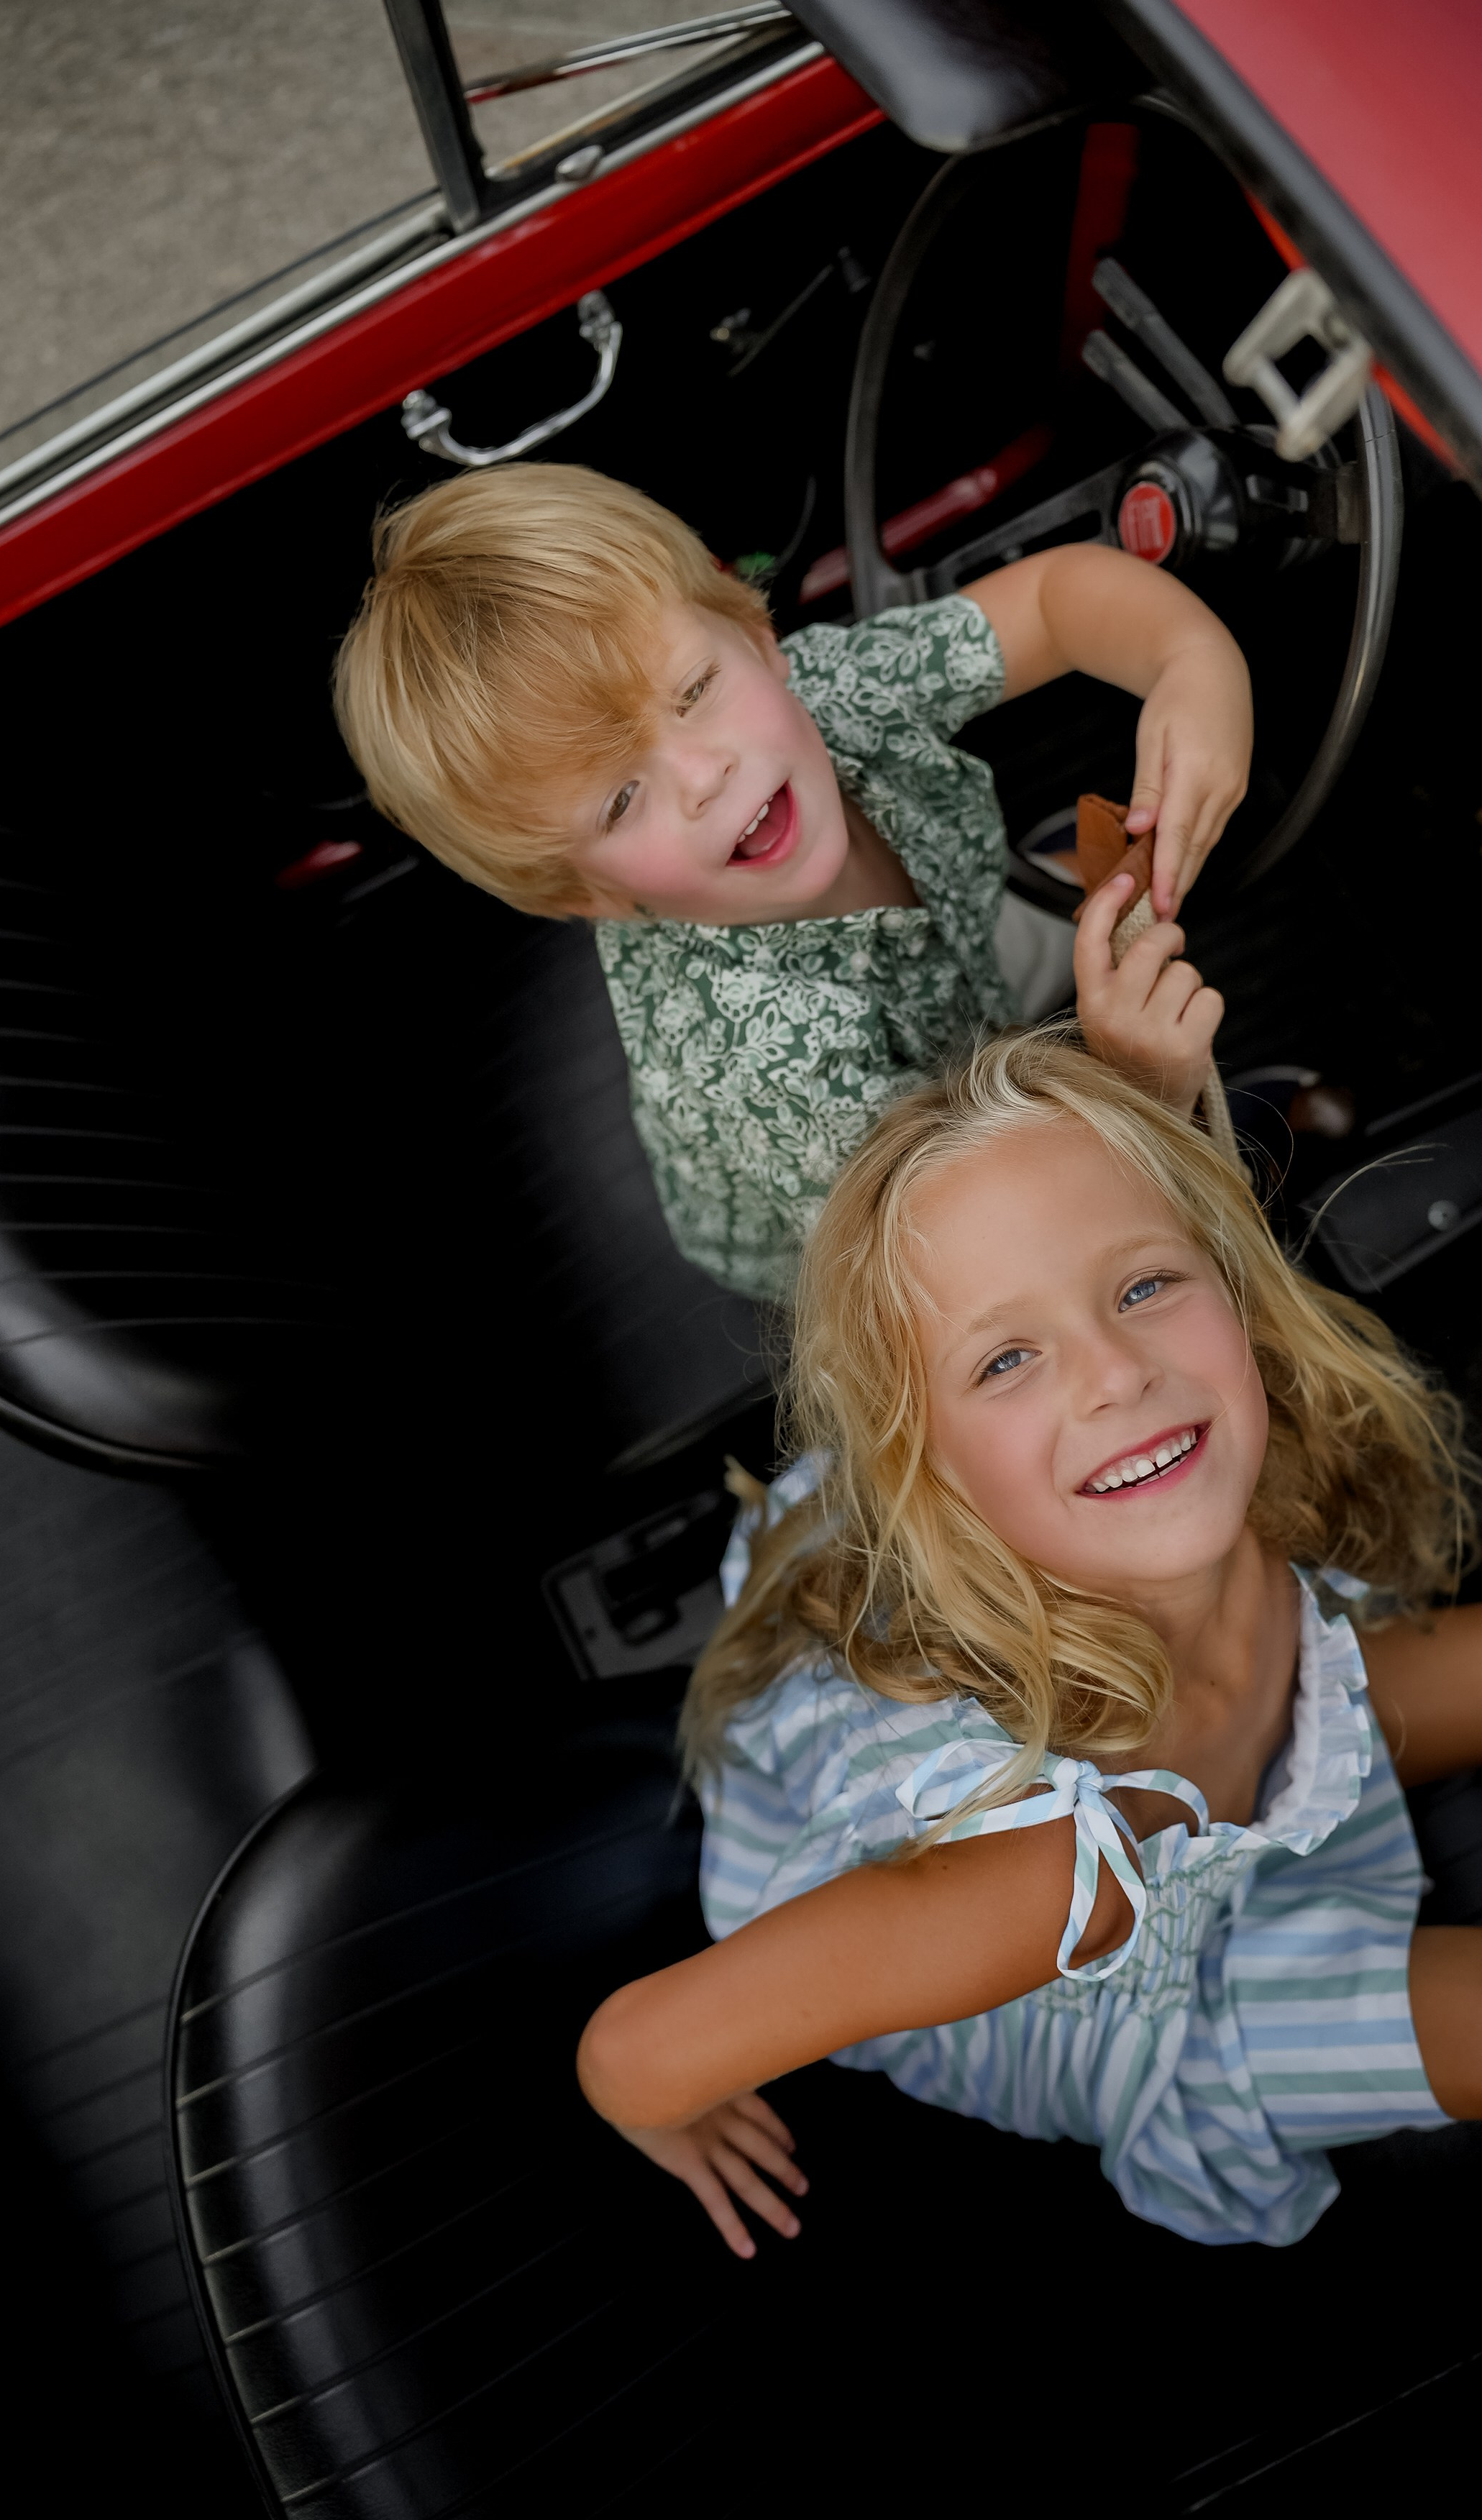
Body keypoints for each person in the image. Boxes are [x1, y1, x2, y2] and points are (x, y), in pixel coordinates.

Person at [575, 1031, 1482, 2250]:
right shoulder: (1035, 1879)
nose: (1116, 1372)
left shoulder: (1189, 1494)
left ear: (1237, 1287)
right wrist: (662, 2108)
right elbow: (633, 2049)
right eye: (1007, 1357)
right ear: (931, 1480)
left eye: (1145, 1284)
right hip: (1132, 1991)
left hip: (1201, 1729)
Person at [334, 465, 1250, 1297]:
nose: (703, 775)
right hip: (884, 1201)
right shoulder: (760, 1058)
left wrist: (1192, 664)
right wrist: (1142, 1095)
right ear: (588, 896)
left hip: (963, 958)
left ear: (757, 637)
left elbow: (1053, 602)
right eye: (620, 801)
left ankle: (1050, 955)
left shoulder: (829, 691)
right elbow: (965, 1246)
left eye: (692, 691)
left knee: (1040, 947)